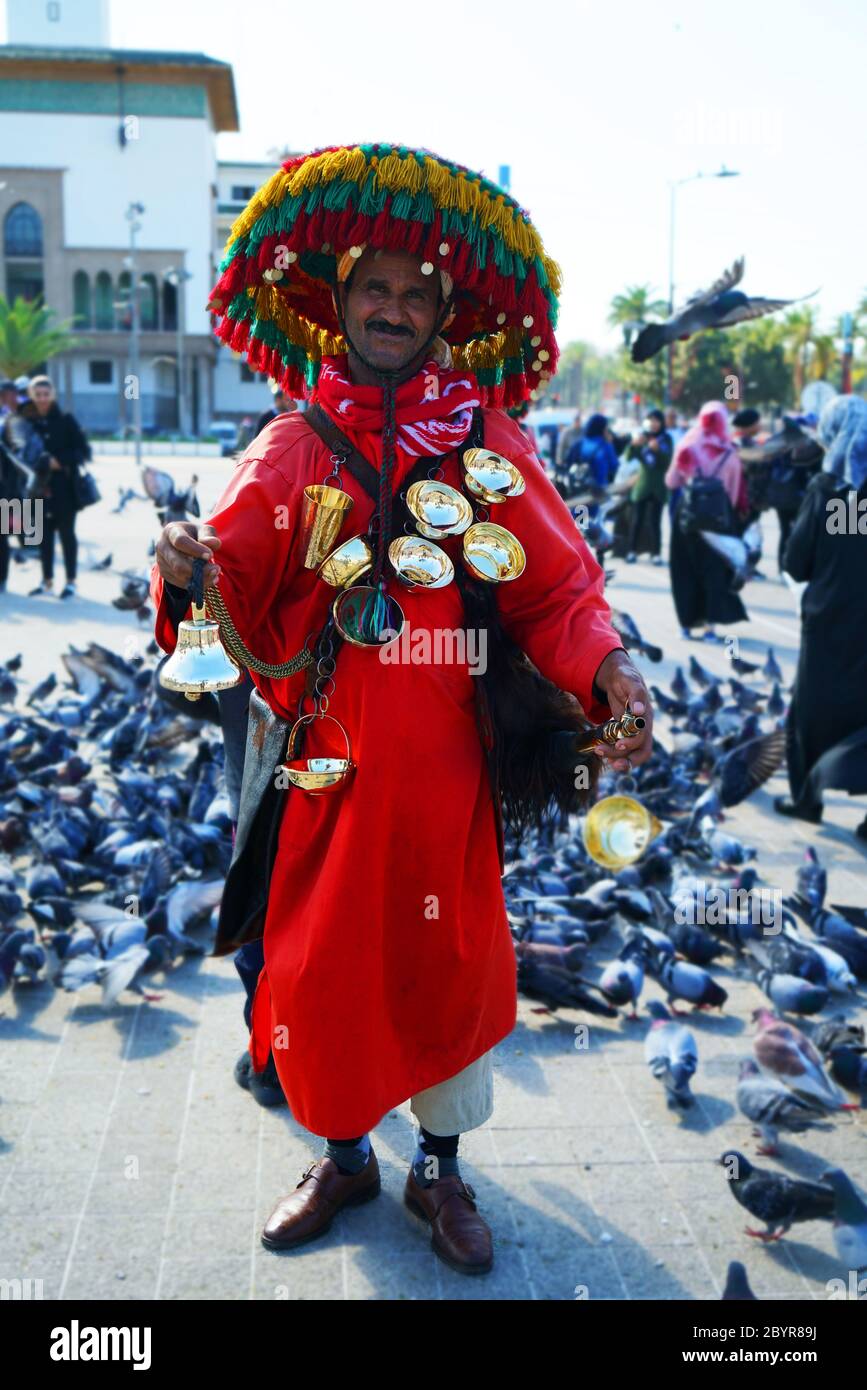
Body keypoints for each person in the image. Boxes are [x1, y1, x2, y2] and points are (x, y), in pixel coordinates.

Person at [150, 141, 654, 1276]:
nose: (393, 306)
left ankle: (439, 1169)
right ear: (338, 304)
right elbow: (223, 578)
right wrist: (183, 564)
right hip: (324, 776)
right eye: (374, 287)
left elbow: (559, 591)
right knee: (323, 975)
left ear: (443, 313)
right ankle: (343, 1155)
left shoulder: (488, 445)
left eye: (416, 292)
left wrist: (608, 667)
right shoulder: (288, 445)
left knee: (446, 968)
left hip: (447, 781)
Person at [775, 394, 867, 838]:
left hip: (830, 622)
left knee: (810, 711)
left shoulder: (826, 488)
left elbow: (796, 563)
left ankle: (807, 799)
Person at [664, 400, 748, 641]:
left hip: (687, 517)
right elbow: (732, 495)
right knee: (713, 571)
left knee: (684, 569)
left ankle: (687, 626)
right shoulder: (730, 452)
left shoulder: (687, 446)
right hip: (718, 520)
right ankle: (710, 627)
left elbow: (671, 482)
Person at [22, 375, 90, 599]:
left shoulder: (66, 420)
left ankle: (71, 581)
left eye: (45, 394)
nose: (42, 399)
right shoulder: (26, 422)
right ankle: (47, 580)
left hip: (64, 488)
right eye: (37, 395)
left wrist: (58, 461)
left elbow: (83, 452)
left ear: (52, 395)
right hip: (37, 489)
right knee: (43, 537)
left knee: (67, 535)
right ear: (31, 396)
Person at [625, 408, 672, 564]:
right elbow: (628, 456)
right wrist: (633, 445)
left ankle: (656, 553)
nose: (653, 423)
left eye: (656, 420)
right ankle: (631, 551)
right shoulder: (643, 437)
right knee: (637, 519)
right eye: (650, 420)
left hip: (658, 486)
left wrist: (658, 451)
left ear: (661, 422)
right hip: (643, 486)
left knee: (655, 521)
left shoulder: (666, 439)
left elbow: (667, 462)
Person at [567, 412, 619, 488]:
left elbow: (569, 463)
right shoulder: (605, 446)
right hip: (599, 490)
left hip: (579, 488)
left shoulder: (579, 444)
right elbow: (614, 466)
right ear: (602, 428)